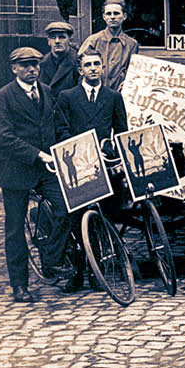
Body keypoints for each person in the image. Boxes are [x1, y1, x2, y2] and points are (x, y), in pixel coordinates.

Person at [0, 47, 75, 302]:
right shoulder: (3, 97)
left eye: (36, 65)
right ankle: (19, 285)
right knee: (15, 229)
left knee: (66, 208)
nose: (32, 70)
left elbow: (59, 125)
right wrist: (39, 154)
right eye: (26, 65)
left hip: (46, 168)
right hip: (15, 169)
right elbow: (3, 138)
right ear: (14, 68)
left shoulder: (47, 92)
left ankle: (51, 259)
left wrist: (67, 147)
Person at [54, 49, 128, 293]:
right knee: (76, 220)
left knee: (102, 217)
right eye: (88, 65)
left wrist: (112, 149)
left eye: (97, 63)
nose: (94, 68)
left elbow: (121, 130)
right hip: (77, 166)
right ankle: (75, 273)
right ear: (80, 70)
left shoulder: (113, 96)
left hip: (103, 165)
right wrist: (80, 149)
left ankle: (98, 272)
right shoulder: (67, 97)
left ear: (103, 67)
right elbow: (61, 131)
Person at [79, 0, 138, 90]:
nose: (112, 17)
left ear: (124, 16)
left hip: (120, 93)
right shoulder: (93, 40)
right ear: (104, 17)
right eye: (108, 14)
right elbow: (80, 67)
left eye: (116, 13)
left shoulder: (131, 44)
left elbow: (133, 71)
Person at [39, 22, 81, 93]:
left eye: (62, 37)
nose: (57, 41)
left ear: (70, 40)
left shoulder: (78, 62)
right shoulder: (41, 63)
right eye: (53, 37)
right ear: (48, 41)